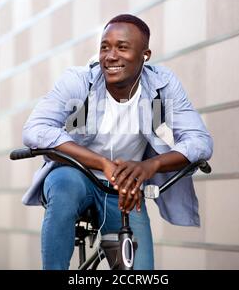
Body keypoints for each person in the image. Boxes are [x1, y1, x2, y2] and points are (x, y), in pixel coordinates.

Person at [22, 14, 213, 270]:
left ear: (145, 55)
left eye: (122, 47)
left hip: (125, 187)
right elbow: (35, 129)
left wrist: (151, 166)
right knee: (63, 185)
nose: (110, 56)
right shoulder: (79, 82)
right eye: (105, 47)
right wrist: (102, 163)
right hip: (76, 175)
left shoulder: (162, 85)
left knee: (140, 270)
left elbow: (199, 141)